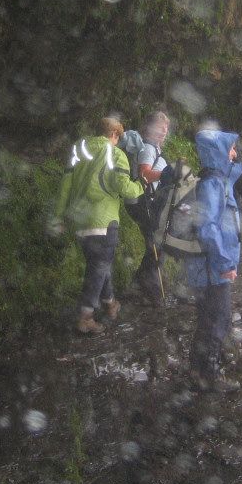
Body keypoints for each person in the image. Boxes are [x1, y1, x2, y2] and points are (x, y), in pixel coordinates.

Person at [52, 117, 145, 334]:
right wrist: (141, 185)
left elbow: (65, 185)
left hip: (80, 223)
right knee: (98, 268)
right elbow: (124, 188)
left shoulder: (79, 149)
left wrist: (58, 216)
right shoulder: (116, 154)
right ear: (114, 134)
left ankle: (110, 303)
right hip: (104, 222)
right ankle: (86, 317)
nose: (118, 141)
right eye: (118, 137)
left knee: (99, 265)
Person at [186, 128, 242, 392]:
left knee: (208, 318)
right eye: (230, 148)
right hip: (212, 269)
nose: (234, 152)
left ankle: (197, 369)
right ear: (218, 152)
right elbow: (208, 228)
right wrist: (224, 264)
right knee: (218, 319)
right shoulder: (212, 184)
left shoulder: (218, 181)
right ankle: (210, 376)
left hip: (208, 268)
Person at [129, 111, 172, 299]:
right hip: (143, 202)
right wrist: (167, 175)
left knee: (155, 244)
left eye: (166, 128)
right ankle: (150, 289)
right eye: (160, 127)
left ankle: (141, 283)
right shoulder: (147, 148)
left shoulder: (154, 148)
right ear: (149, 128)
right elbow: (144, 174)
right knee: (156, 245)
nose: (164, 131)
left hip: (146, 201)